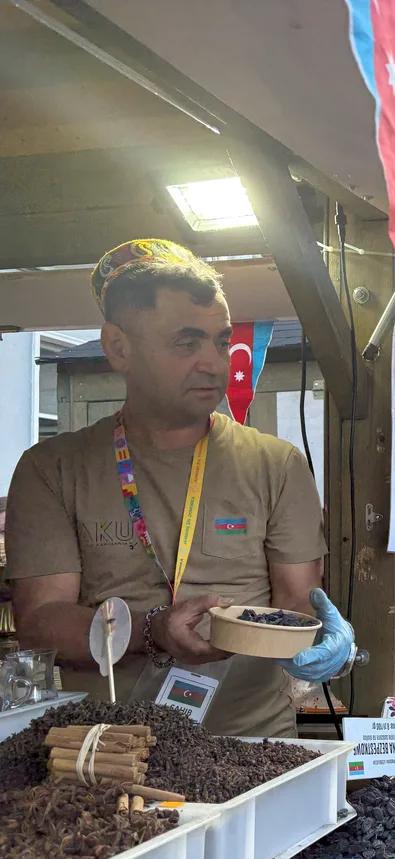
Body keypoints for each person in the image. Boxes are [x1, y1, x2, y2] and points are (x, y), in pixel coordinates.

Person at [6, 239, 356, 740]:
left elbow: (297, 602)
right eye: (186, 343)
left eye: (220, 341)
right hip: (106, 749)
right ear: (118, 347)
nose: (214, 363)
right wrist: (152, 631)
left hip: (253, 742)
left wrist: (323, 639)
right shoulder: (53, 468)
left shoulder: (276, 464)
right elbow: (40, 622)